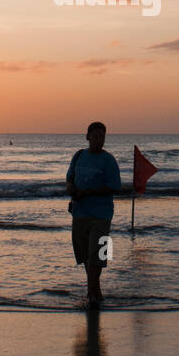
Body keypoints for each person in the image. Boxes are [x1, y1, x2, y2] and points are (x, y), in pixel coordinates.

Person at [66, 122, 120, 306]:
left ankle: (92, 293)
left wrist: (88, 192)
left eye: (102, 137)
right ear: (87, 136)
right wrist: (72, 190)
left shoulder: (109, 160)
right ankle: (95, 291)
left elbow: (114, 186)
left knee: (99, 255)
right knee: (85, 256)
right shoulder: (79, 156)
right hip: (80, 213)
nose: (99, 140)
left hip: (102, 214)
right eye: (95, 136)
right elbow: (69, 179)